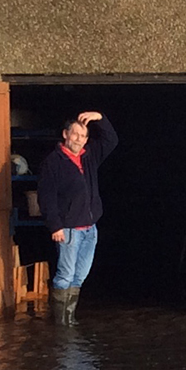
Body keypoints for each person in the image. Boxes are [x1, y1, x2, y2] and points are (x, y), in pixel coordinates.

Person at [37, 111, 118, 325]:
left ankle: (70, 319)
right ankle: (61, 324)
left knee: (79, 276)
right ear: (65, 134)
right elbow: (46, 197)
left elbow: (112, 140)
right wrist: (55, 226)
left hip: (90, 228)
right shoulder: (53, 162)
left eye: (83, 136)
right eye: (75, 135)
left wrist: (100, 118)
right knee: (65, 275)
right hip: (69, 229)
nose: (79, 140)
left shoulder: (89, 155)